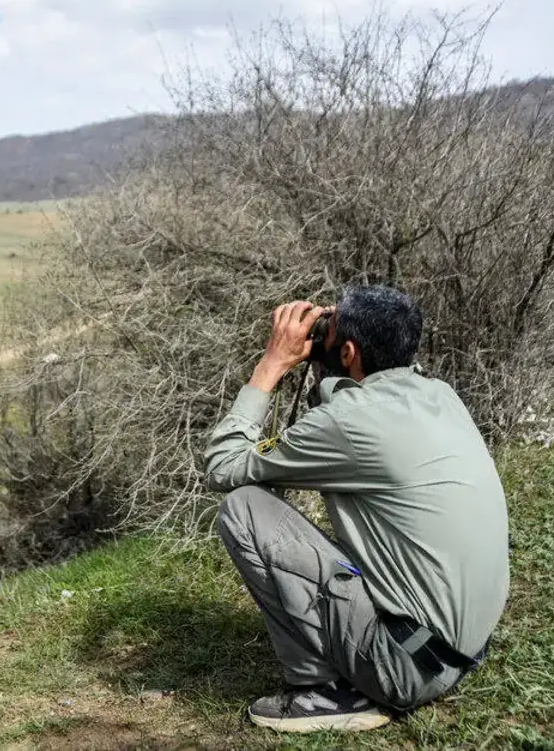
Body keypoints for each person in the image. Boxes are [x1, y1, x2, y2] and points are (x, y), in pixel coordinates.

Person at [203, 284, 509, 733]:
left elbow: (224, 466)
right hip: (459, 648)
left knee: (243, 507)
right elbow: (347, 407)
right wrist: (330, 361)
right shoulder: (439, 394)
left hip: (406, 668)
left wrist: (272, 364)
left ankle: (327, 693)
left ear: (348, 352)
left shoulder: (347, 422)